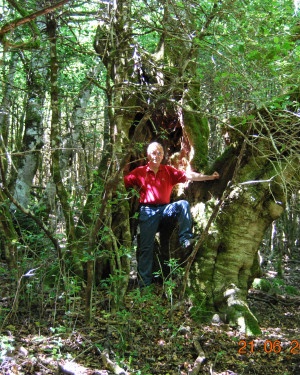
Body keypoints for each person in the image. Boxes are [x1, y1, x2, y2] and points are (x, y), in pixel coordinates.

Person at [124, 142, 219, 288]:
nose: (157, 156)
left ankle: (186, 239)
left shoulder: (168, 171)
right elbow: (122, 182)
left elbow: (188, 175)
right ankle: (144, 286)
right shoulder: (140, 172)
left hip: (165, 209)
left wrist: (209, 177)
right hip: (147, 211)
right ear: (148, 155)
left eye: (160, 153)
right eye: (154, 153)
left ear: (163, 156)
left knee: (183, 204)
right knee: (146, 248)